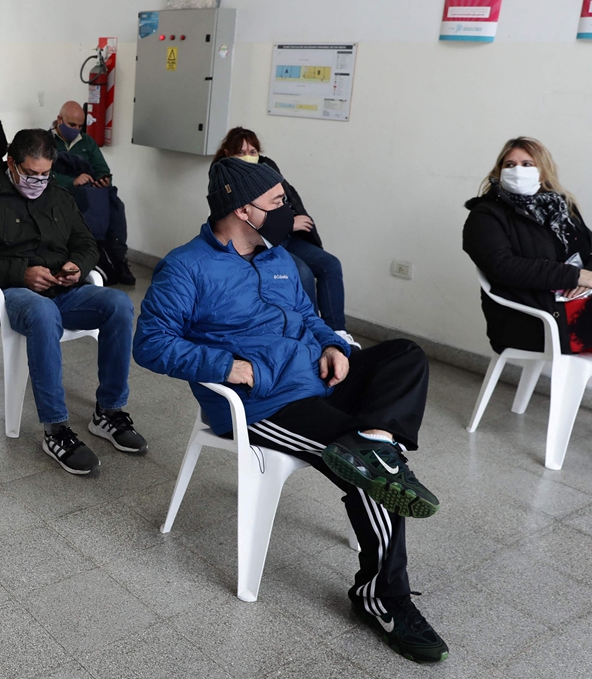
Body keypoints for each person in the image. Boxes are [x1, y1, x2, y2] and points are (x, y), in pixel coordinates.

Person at [134, 157, 447, 663]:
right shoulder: (186, 266)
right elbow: (149, 344)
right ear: (243, 209)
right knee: (364, 467)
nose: (290, 211)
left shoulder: (277, 256)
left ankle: (380, 445)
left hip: (315, 376)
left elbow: (308, 316)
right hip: (262, 404)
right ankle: (383, 597)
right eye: (279, 203)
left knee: (404, 356)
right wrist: (226, 366)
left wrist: (333, 346)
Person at [463, 137, 592, 497]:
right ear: (497, 171)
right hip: (534, 321)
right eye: (509, 164)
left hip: (583, 312)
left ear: (544, 170)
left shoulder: (561, 207)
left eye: (528, 164)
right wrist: (573, 276)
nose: (518, 171)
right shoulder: (485, 216)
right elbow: (502, 267)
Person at [0, 128, 147, 476]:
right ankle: (56, 429)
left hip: (64, 289)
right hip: (10, 294)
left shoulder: (59, 196)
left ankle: (109, 411)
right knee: (42, 312)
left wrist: (78, 267)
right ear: (12, 164)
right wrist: (20, 273)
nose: (39, 181)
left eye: (45, 174)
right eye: (31, 174)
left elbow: (86, 243)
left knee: (118, 305)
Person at [213, 127, 355, 344]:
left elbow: (287, 203)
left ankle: (337, 333)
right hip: (264, 241)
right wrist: (290, 223)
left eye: (252, 151)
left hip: (287, 237)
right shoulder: (225, 182)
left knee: (330, 265)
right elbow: (249, 226)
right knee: (303, 273)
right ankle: (312, 335)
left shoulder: (267, 170)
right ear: (227, 153)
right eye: (241, 152)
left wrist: (292, 222)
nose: (248, 156)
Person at [51, 101, 135, 285]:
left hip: (87, 190)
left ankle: (117, 258)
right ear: (59, 120)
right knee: (86, 205)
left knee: (115, 204)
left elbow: (102, 168)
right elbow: (42, 172)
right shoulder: (46, 141)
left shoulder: (87, 142)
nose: (76, 129)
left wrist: (103, 179)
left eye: (80, 126)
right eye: (72, 125)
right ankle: (91, 252)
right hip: (59, 190)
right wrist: (70, 181)